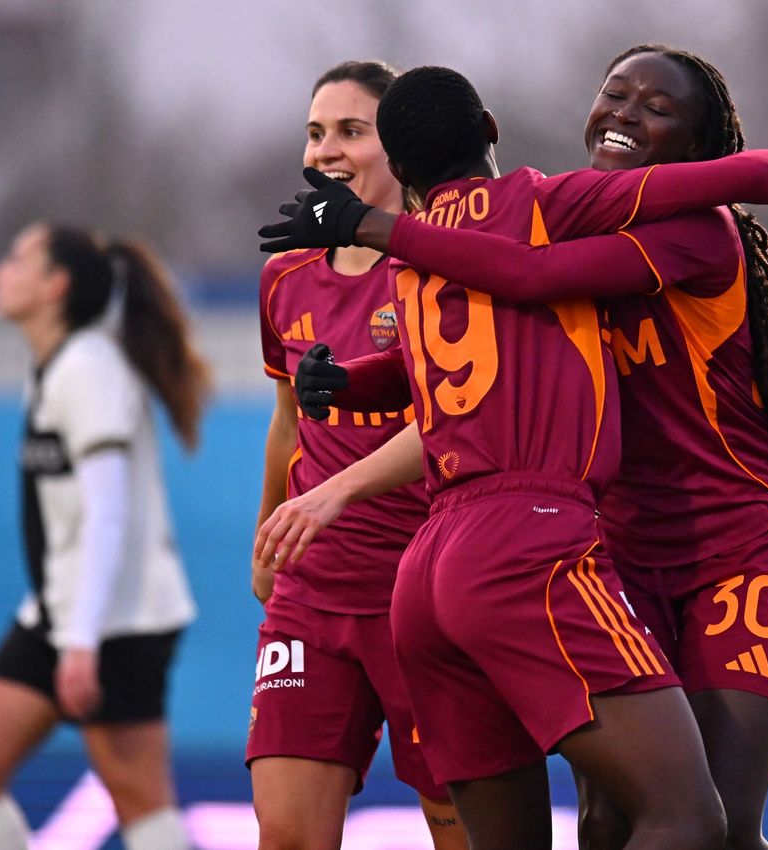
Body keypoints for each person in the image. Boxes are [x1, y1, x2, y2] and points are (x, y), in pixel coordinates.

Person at [256, 65, 768, 850]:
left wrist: (375, 237)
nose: (624, 112)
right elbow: (496, 306)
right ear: (490, 128)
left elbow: (528, 279)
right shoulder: (550, 217)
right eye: (614, 94)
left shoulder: (682, 229)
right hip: (594, 544)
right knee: (619, 823)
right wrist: (355, 372)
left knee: (708, 824)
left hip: (735, 543)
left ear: (697, 141)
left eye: (655, 105)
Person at [246, 60, 468, 850]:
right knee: (287, 836)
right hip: (312, 594)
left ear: (399, 146)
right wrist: (271, 530)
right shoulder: (284, 276)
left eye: (350, 130)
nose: (326, 151)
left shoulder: (445, 264)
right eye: (315, 133)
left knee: (464, 831)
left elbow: (455, 418)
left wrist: (334, 491)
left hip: (427, 594)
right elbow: (287, 421)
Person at [0, 224, 209, 850]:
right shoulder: (56, 366)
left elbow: (107, 515)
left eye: (18, 260)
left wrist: (83, 641)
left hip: (119, 621)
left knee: (142, 804)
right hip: (61, 613)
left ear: (55, 286)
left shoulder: (90, 368)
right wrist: (67, 626)